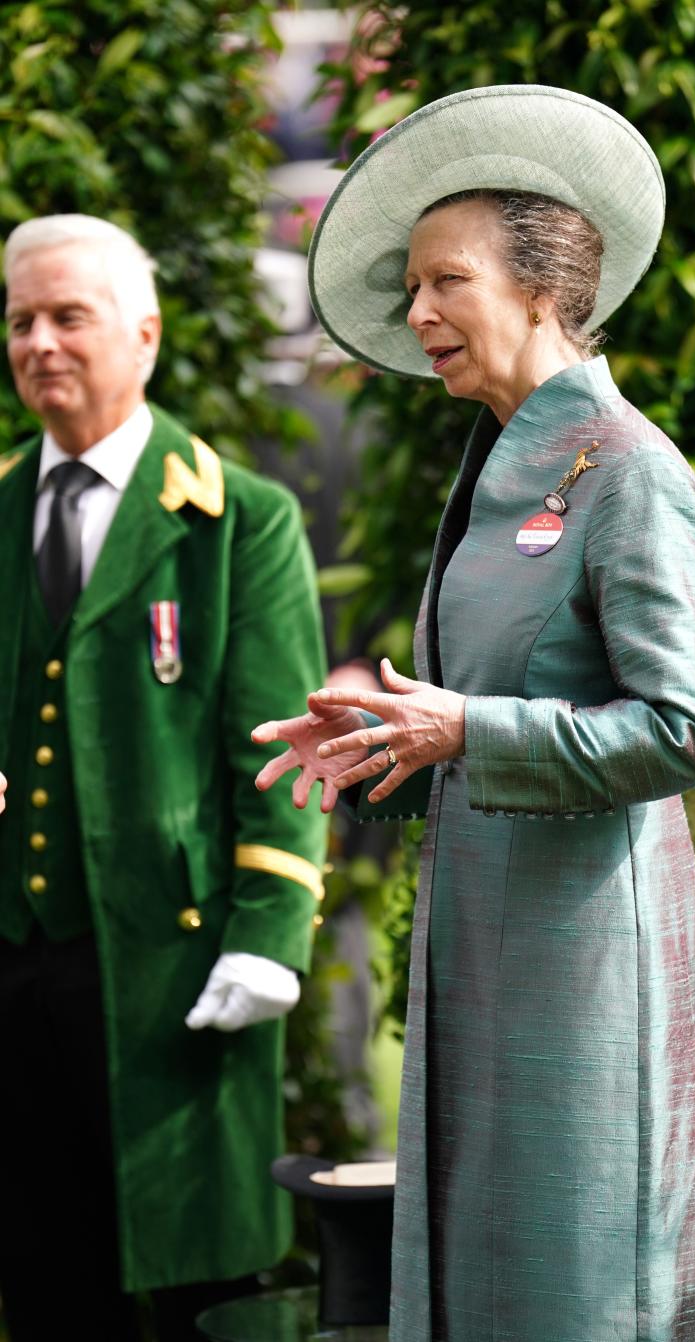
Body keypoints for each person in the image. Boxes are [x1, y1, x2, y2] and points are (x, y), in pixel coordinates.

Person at [253, 86, 695, 1342]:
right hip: (487, 952)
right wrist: (389, 736)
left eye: (443, 282)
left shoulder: (631, 471)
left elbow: (682, 730)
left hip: (587, 979)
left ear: (541, 290)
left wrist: (467, 729)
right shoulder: (498, 463)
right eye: (413, 287)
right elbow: (481, 703)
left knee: (580, 1292)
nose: (416, 313)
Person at [0, 214, 327, 1342]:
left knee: (208, 1294)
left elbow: (280, 748)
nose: (40, 341)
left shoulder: (239, 520)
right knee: (45, 1287)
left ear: (143, 336)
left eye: (68, 317)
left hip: (179, 969)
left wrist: (271, 930)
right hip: (16, 968)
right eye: (21, 320)